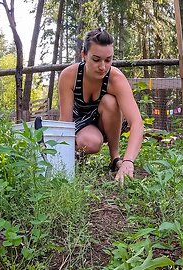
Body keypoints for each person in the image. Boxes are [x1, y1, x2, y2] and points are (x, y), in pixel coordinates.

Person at [58, 27, 144, 183]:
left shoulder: (116, 79)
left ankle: (115, 158)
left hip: (106, 122)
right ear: (84, 55)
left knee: (110, 101)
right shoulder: (69, 76)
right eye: (96, 59)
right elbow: (65, 121)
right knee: (91, 142)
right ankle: (76, 155)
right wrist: (62, 156)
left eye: (108, 60)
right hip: (80, 124)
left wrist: (128, 161)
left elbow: (136, 122)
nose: (103, 66)